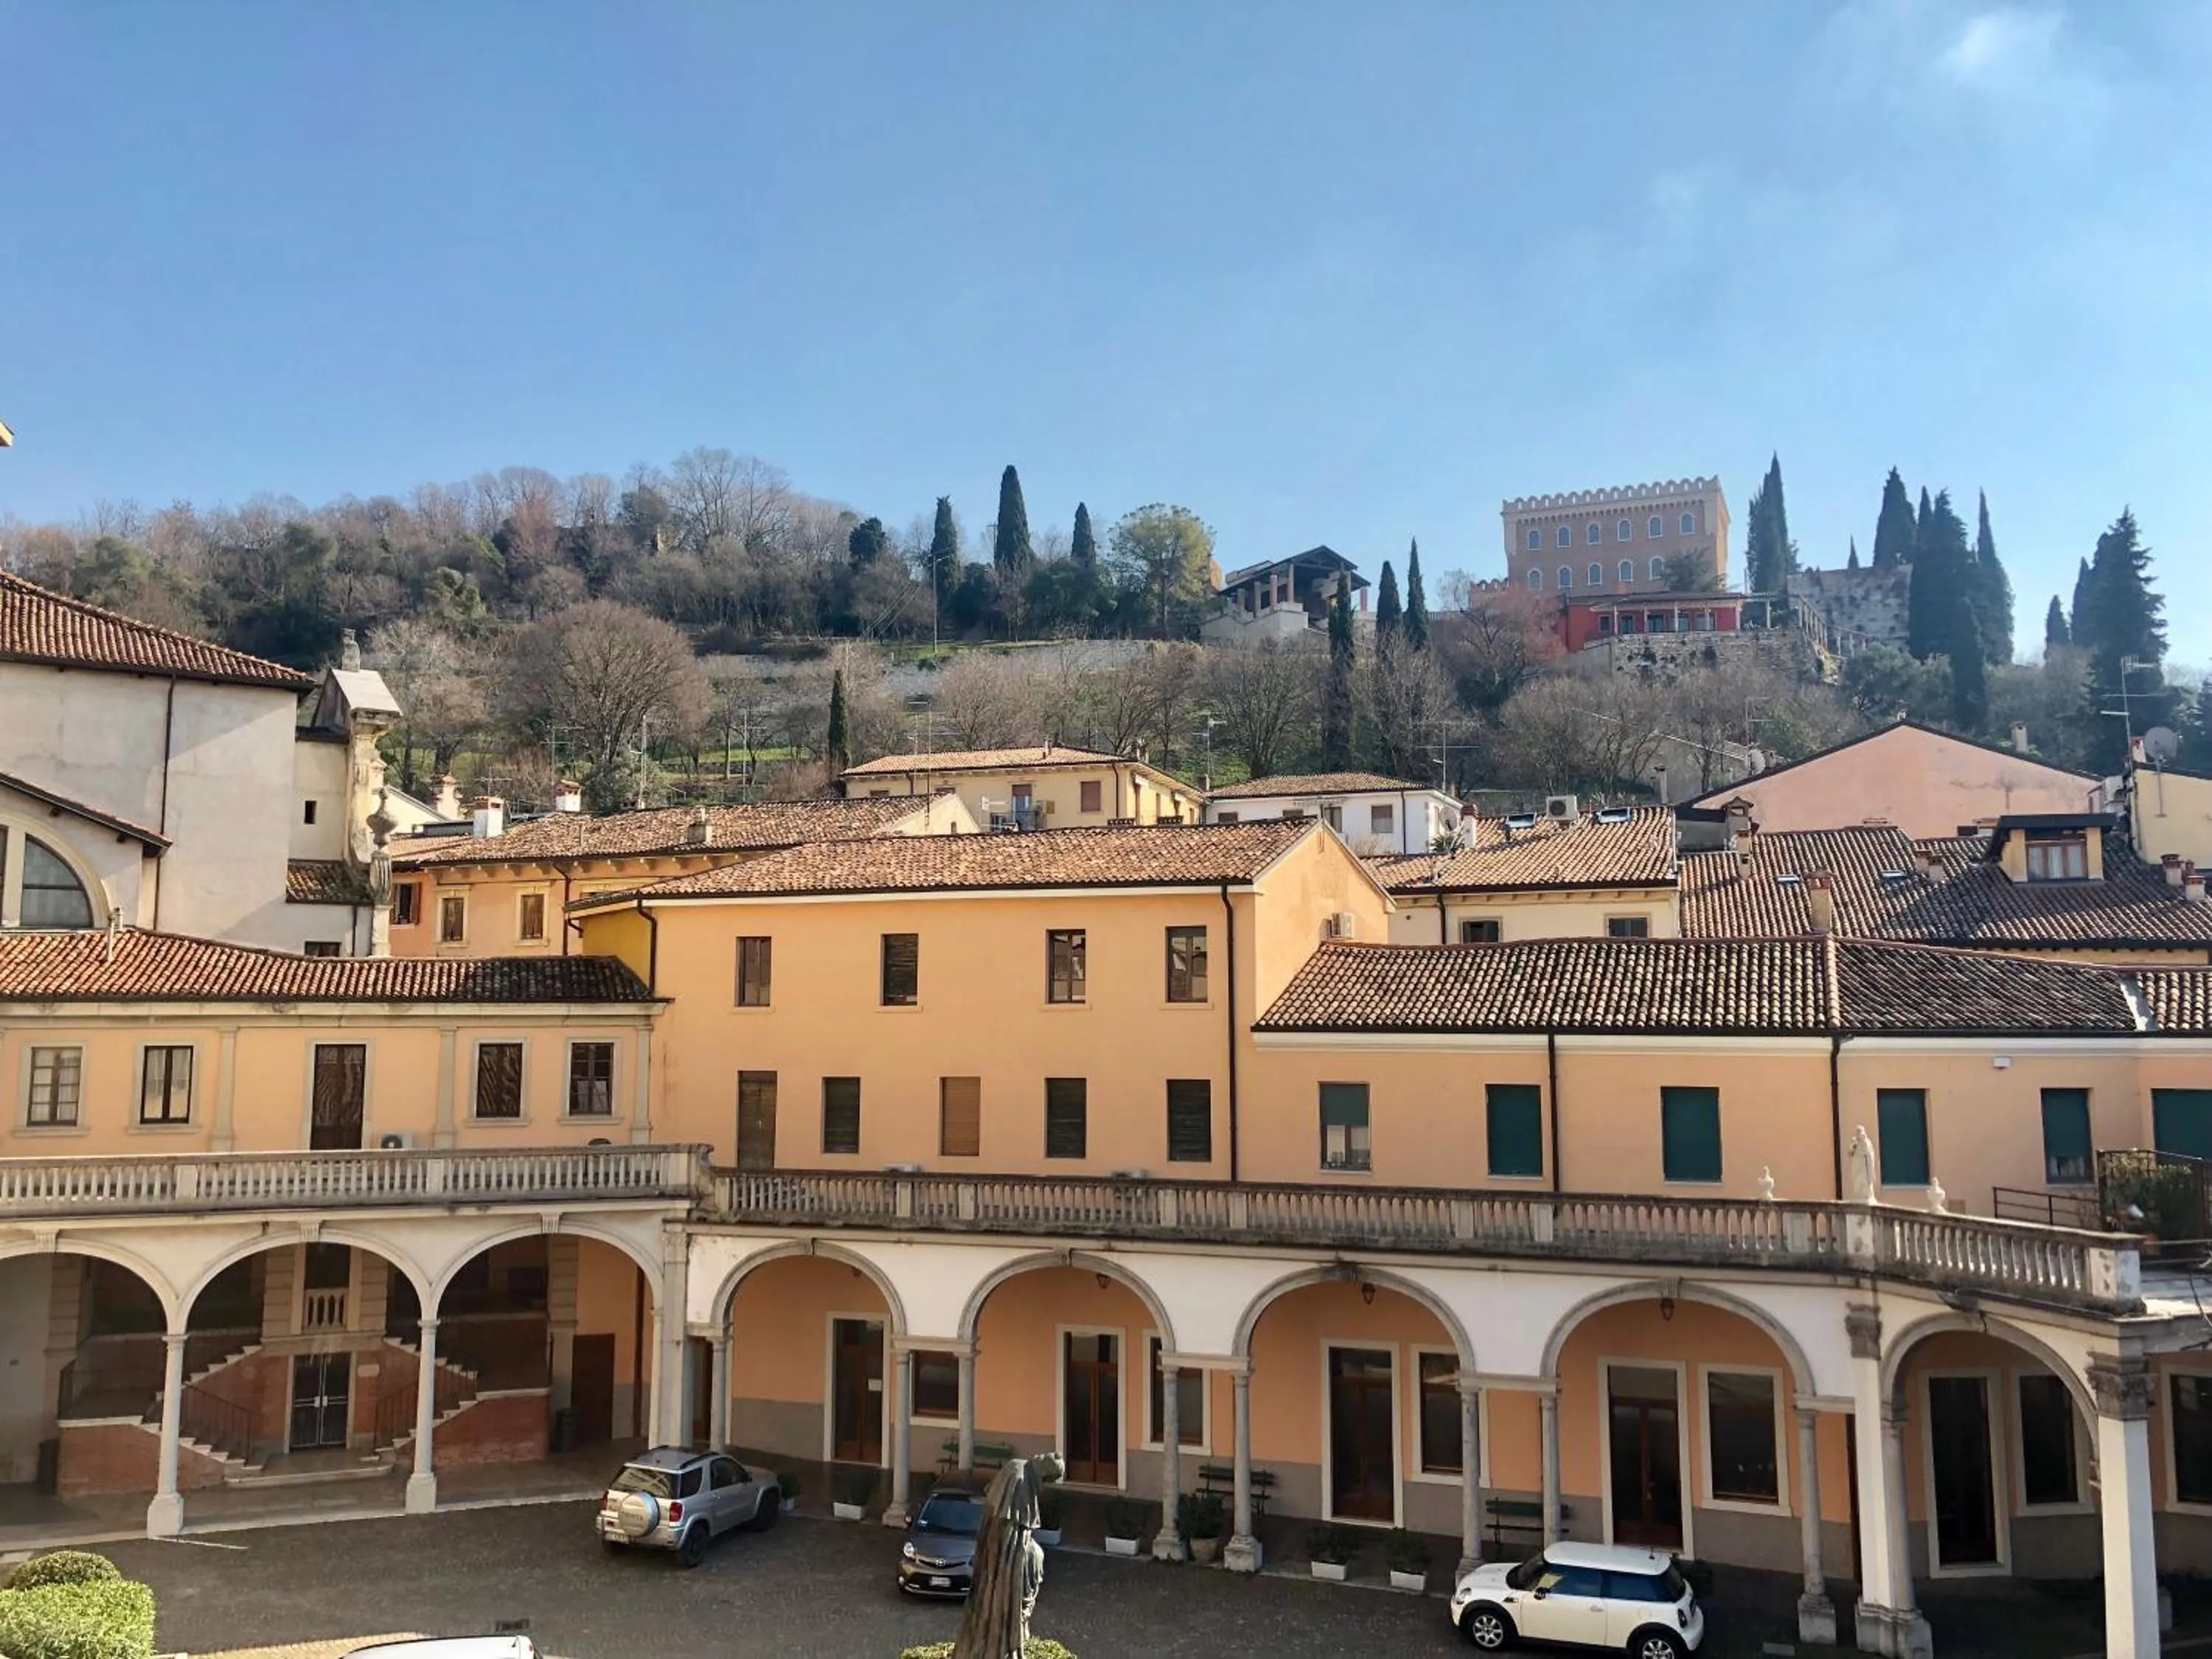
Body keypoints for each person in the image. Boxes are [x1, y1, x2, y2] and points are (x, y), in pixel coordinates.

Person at [953, 1453, 1065, 1659]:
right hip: (1002, 1558)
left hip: (998, 1553)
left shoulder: (1018, 1468)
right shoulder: (1020, 1479)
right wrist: (1025, 1550)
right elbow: (1012, 1534)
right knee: (996, 1605)